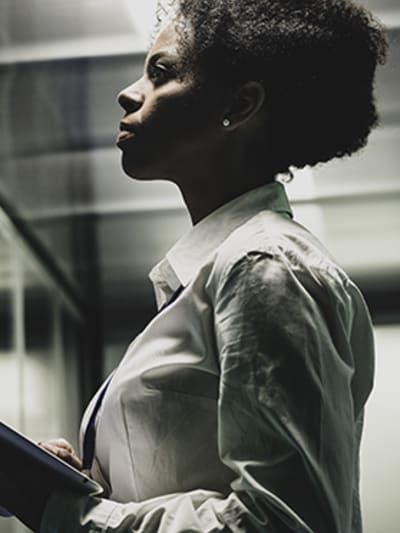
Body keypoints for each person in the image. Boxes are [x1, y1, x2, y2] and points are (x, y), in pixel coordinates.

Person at [0, 0, 388, 531]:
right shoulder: (221, 272)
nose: (129, 92)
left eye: (161, 74)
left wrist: (70, 509)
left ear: (241, 104)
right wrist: (75, 483)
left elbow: (284, 522)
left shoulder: (266, 267)